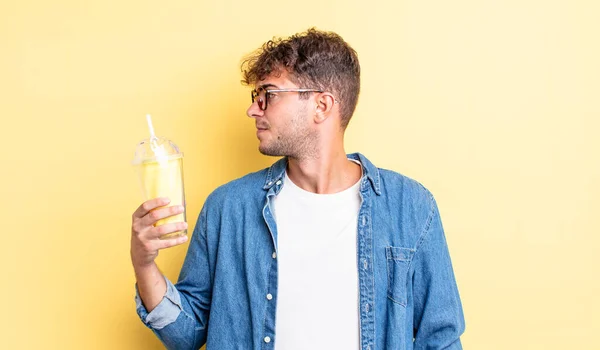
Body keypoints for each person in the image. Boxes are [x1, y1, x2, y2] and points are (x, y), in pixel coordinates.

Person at [131, 28, 465, 350]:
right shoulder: (228, 208)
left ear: (321, 106)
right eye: (255, 96)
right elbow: (185, 335)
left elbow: (441, 339)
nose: (253, 109)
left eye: (269, 95)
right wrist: (143, 263)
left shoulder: (410, 207)